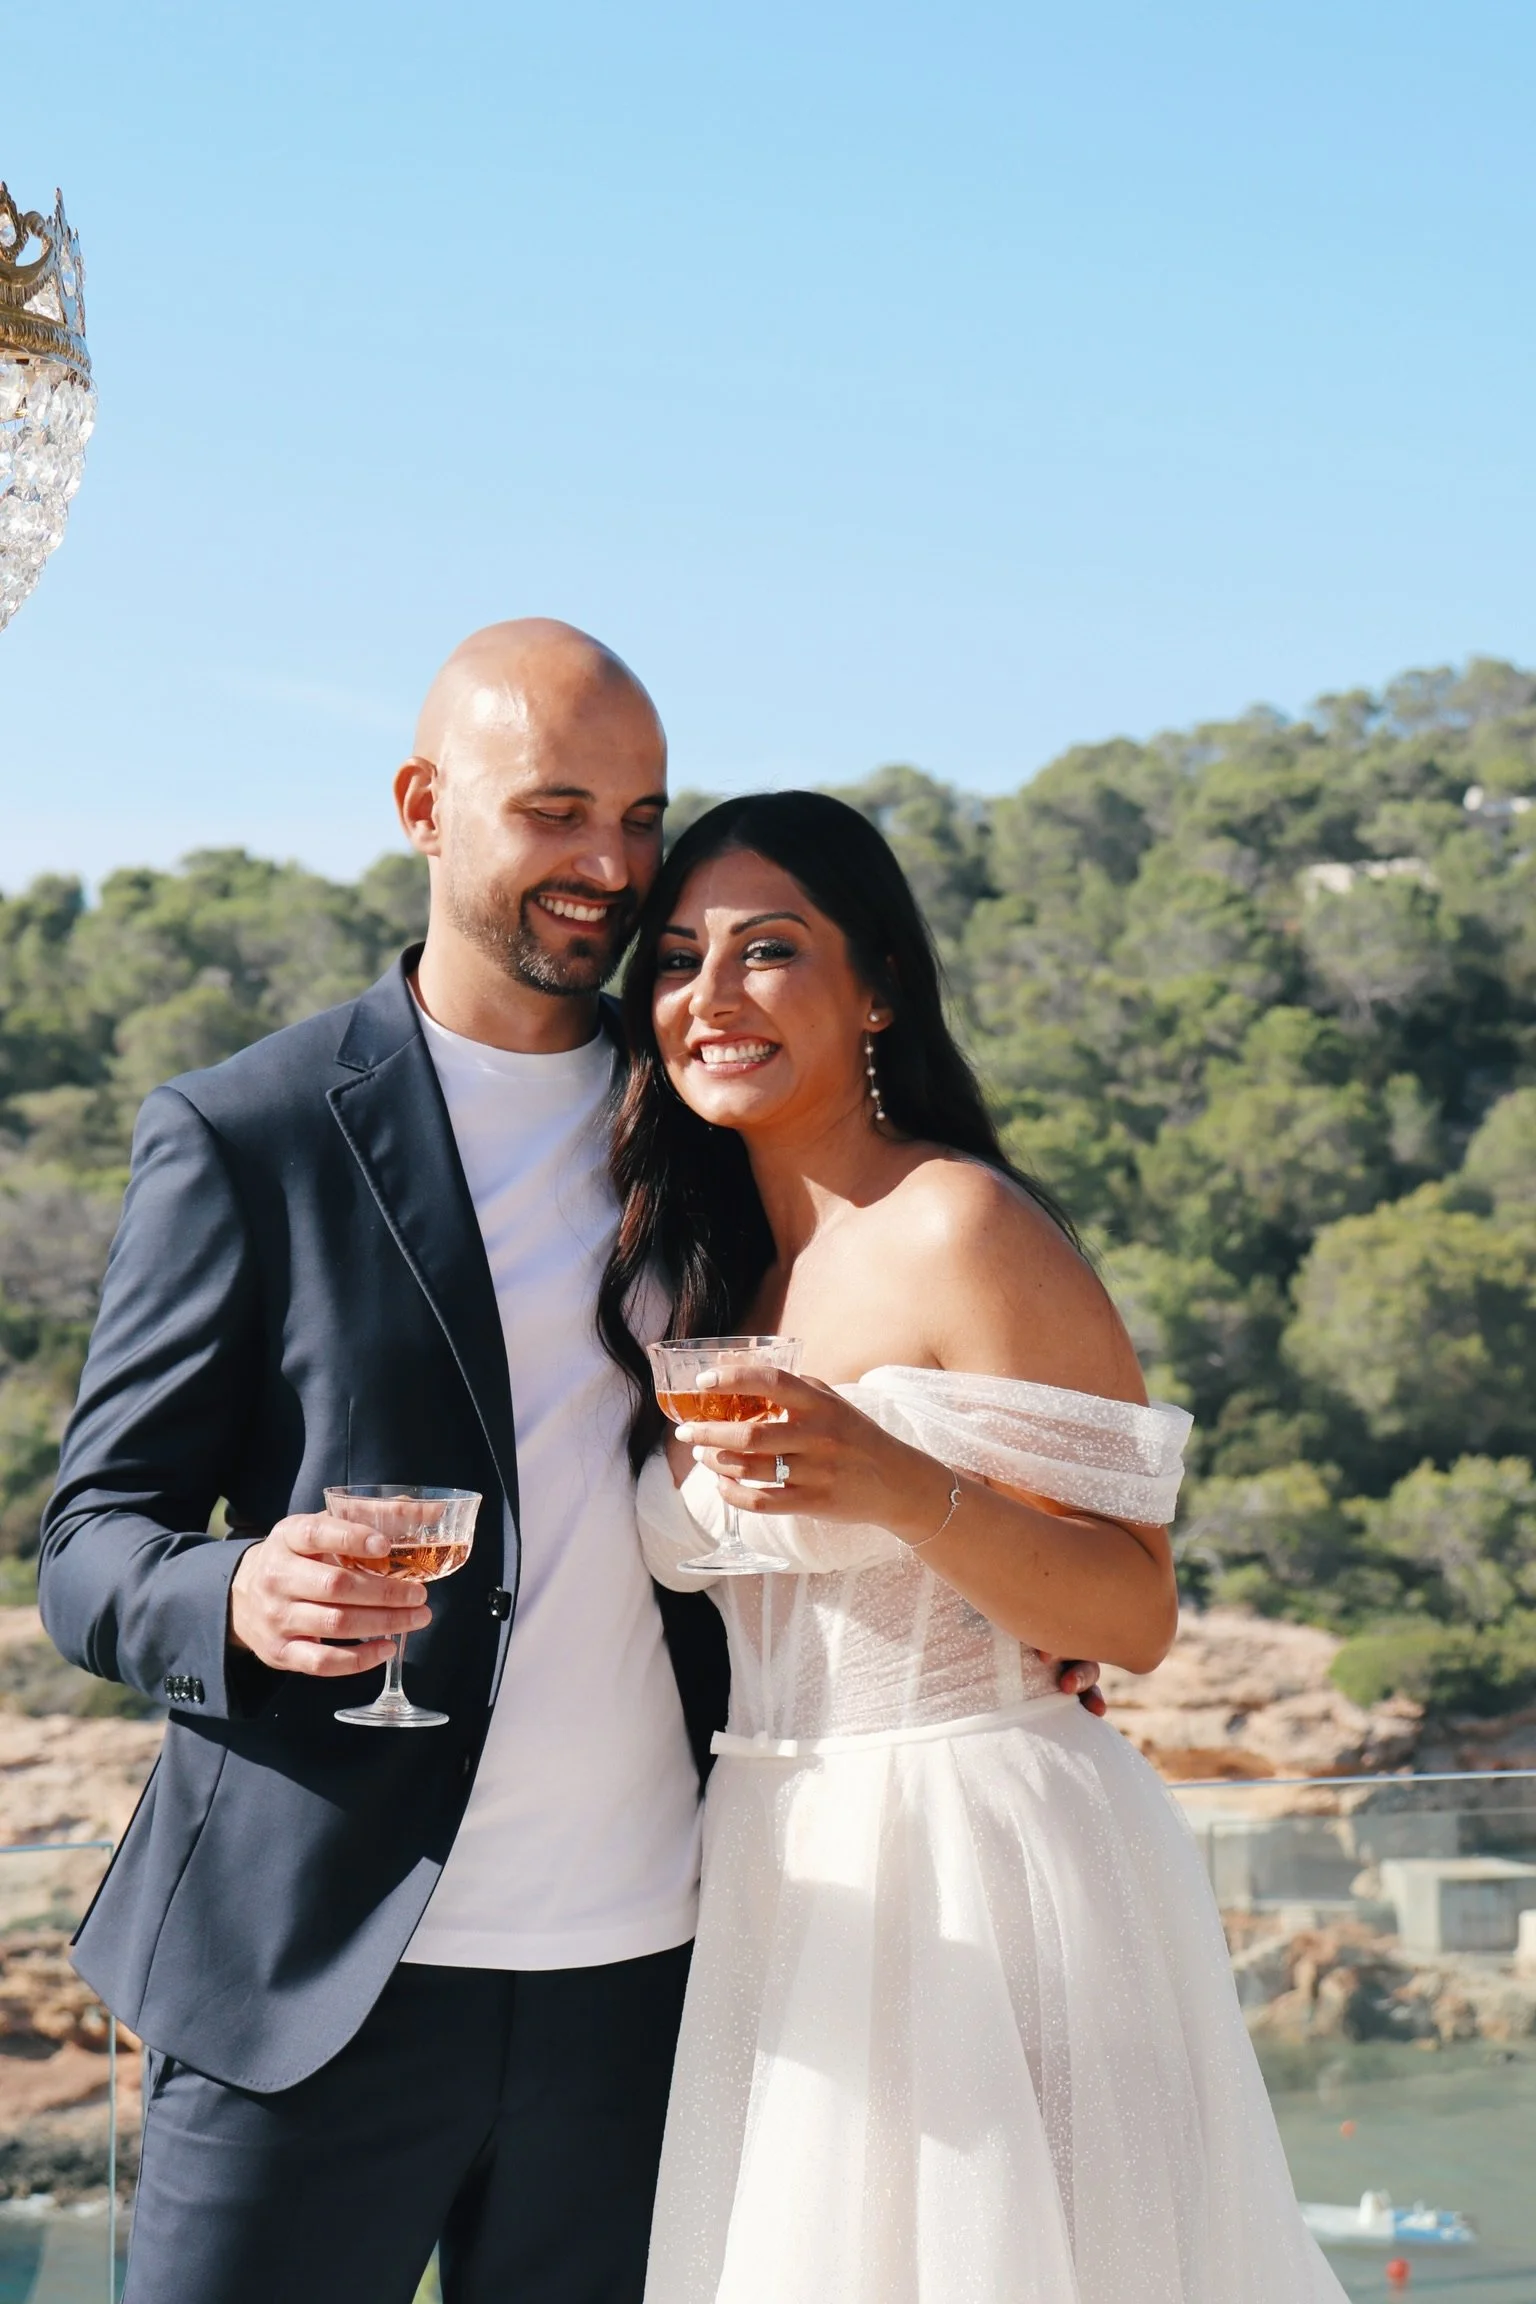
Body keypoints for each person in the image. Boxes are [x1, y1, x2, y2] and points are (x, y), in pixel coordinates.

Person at [39, 621, 1098, 2304]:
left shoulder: (703, 1112)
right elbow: (90, 1543)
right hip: (315, 1977)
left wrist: (991, 1616)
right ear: (424, 805)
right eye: (555, 812)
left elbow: (896, 1347)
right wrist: (241, 1589)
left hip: (663, 1982)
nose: (608, 867)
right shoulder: (249, 1133)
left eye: (637, 815)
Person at [602, 791, 1349, 2304]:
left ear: (877, 986)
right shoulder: (700, 1269)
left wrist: (894, 1481)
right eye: (678, 958)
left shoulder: (961, 1229)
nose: (712, 994)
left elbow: (1134, 1614)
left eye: (769, 950)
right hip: (774, 1863)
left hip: (982, 1851)